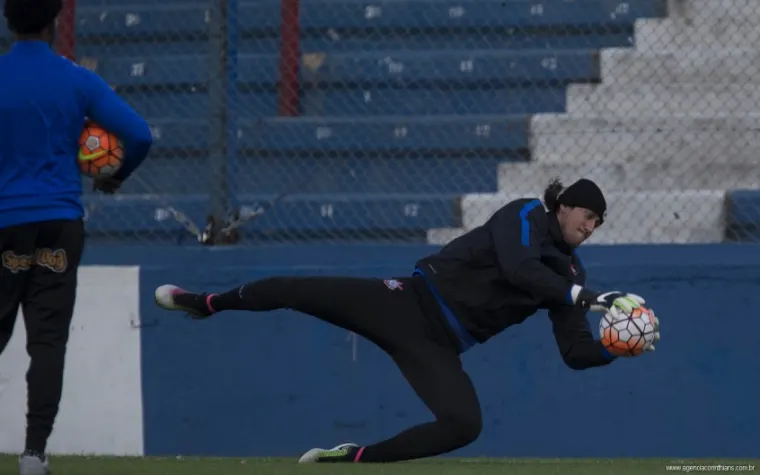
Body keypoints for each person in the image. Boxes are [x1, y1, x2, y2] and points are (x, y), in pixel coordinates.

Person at [154, 177, 660, 464]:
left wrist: (614, 348)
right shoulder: (526, 213)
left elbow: (573, 352)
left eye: (597, 224)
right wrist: (587, 295)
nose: (590, 228)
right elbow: (519, 268)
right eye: (586, 217)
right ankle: (205, 303)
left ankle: (353, 457)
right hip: (406, 303)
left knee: (465, 425)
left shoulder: (572, 273)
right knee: (296, 290)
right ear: (564, 205)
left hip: (438, 347)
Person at [0, 0, 153, 473]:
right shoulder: (76, 79)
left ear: (7, 21)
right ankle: (33, 454)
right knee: (46, 341)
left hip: (5, 221)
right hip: (60, 224)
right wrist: (113, 175)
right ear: (55, 22)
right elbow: (139, 135)